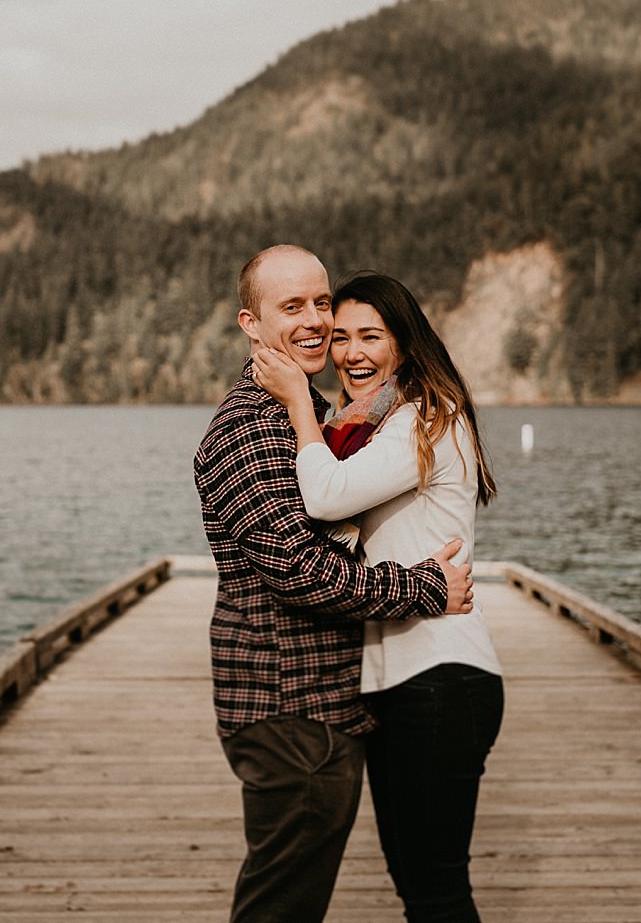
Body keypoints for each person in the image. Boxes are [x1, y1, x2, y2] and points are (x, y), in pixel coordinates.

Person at [193, 245, 476, 923]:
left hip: (319, 706)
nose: (316, 319)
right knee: (279, 907)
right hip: (292, 709)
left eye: (322, 302)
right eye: (292, 306)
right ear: (250, 324)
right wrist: (426, 587)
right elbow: (301, 570)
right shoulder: (253, 427)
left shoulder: (309, 415)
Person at [253, 271, 503, 923]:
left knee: (436, 887)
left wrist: (296, 403)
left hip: (439, 676)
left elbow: (325, 495)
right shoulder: (368, 425)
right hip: (400, 682)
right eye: (340, 337)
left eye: (371, 336)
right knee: (420, 885)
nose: (352, 352)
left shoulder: (425, 418)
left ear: (405, 342)